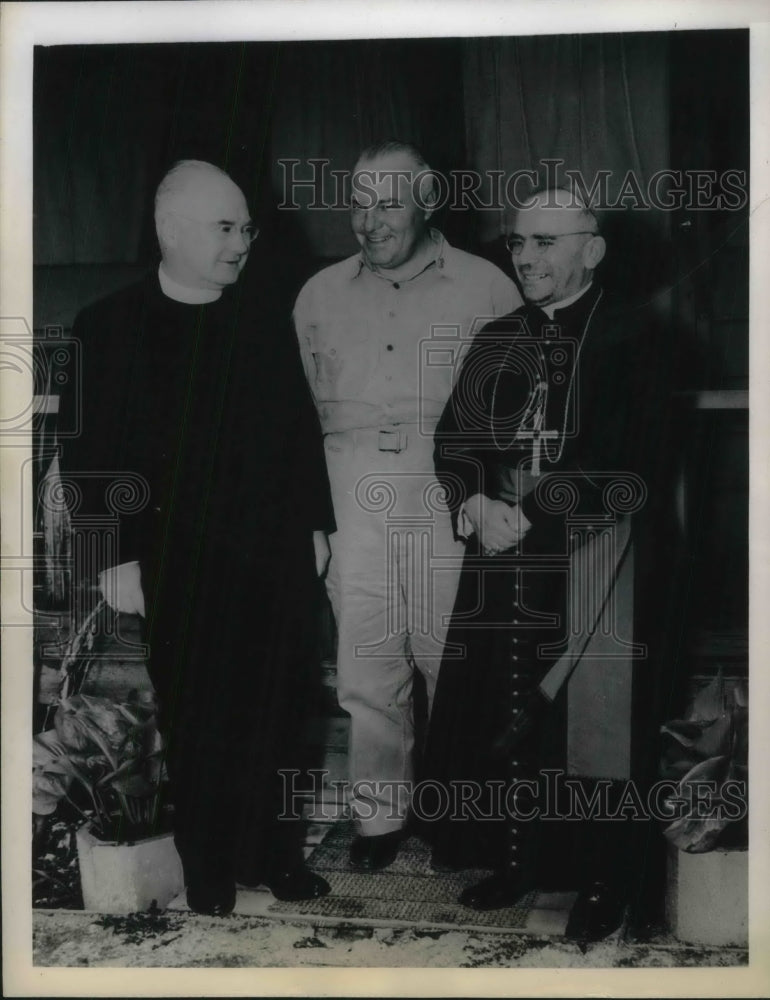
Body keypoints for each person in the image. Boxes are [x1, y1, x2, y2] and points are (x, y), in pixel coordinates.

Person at [60, 160, 335, 916]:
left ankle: (273, 856)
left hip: (273, 551)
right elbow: (85, 456)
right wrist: (108, 560)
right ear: (170, 230)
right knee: (199, 717)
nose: (242, 242)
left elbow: (296, 433)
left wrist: (315, 527)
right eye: (225, 227)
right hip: (172, 559)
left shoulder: (262, 315)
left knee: (280, 709)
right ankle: (210, 871)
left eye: (247, 228)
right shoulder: (105, 326)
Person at [423, 188, 676, 942]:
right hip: (503, 555)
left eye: (544, 243)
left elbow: (635, 460)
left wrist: (527, 513)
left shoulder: (640, 338)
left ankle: (604, 879)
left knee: (589, 720)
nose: (526, 258)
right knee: (507, 710)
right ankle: (517, 858)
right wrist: (471, 503)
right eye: (518, 244)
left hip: (597, 557)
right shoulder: (498, 335)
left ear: (591, 250)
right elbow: (454, 440)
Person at [293, 140, 521, 871]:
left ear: (428, 202)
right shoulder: (317, 295)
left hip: (444, 495)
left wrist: (492, 500)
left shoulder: (489, 288)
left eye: (388, 202)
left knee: (449, 662)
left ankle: (458, 818)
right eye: (357, 203)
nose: (369, 221)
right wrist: (315, 526)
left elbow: (520, 411)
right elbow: (294, 414)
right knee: (366, 669)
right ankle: (378, 820)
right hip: (349, 498)